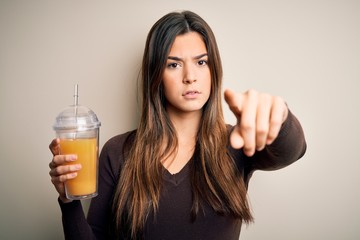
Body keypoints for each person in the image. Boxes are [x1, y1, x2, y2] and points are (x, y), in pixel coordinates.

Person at [49, 10, 306, 240]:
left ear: (213, 70)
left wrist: (279, 117)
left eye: (201, 62)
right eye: (174, 64)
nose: (190, 77)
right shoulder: (117, 152)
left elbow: (293, 150)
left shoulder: (236, 144)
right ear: (156, 76)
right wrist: (67, 199)